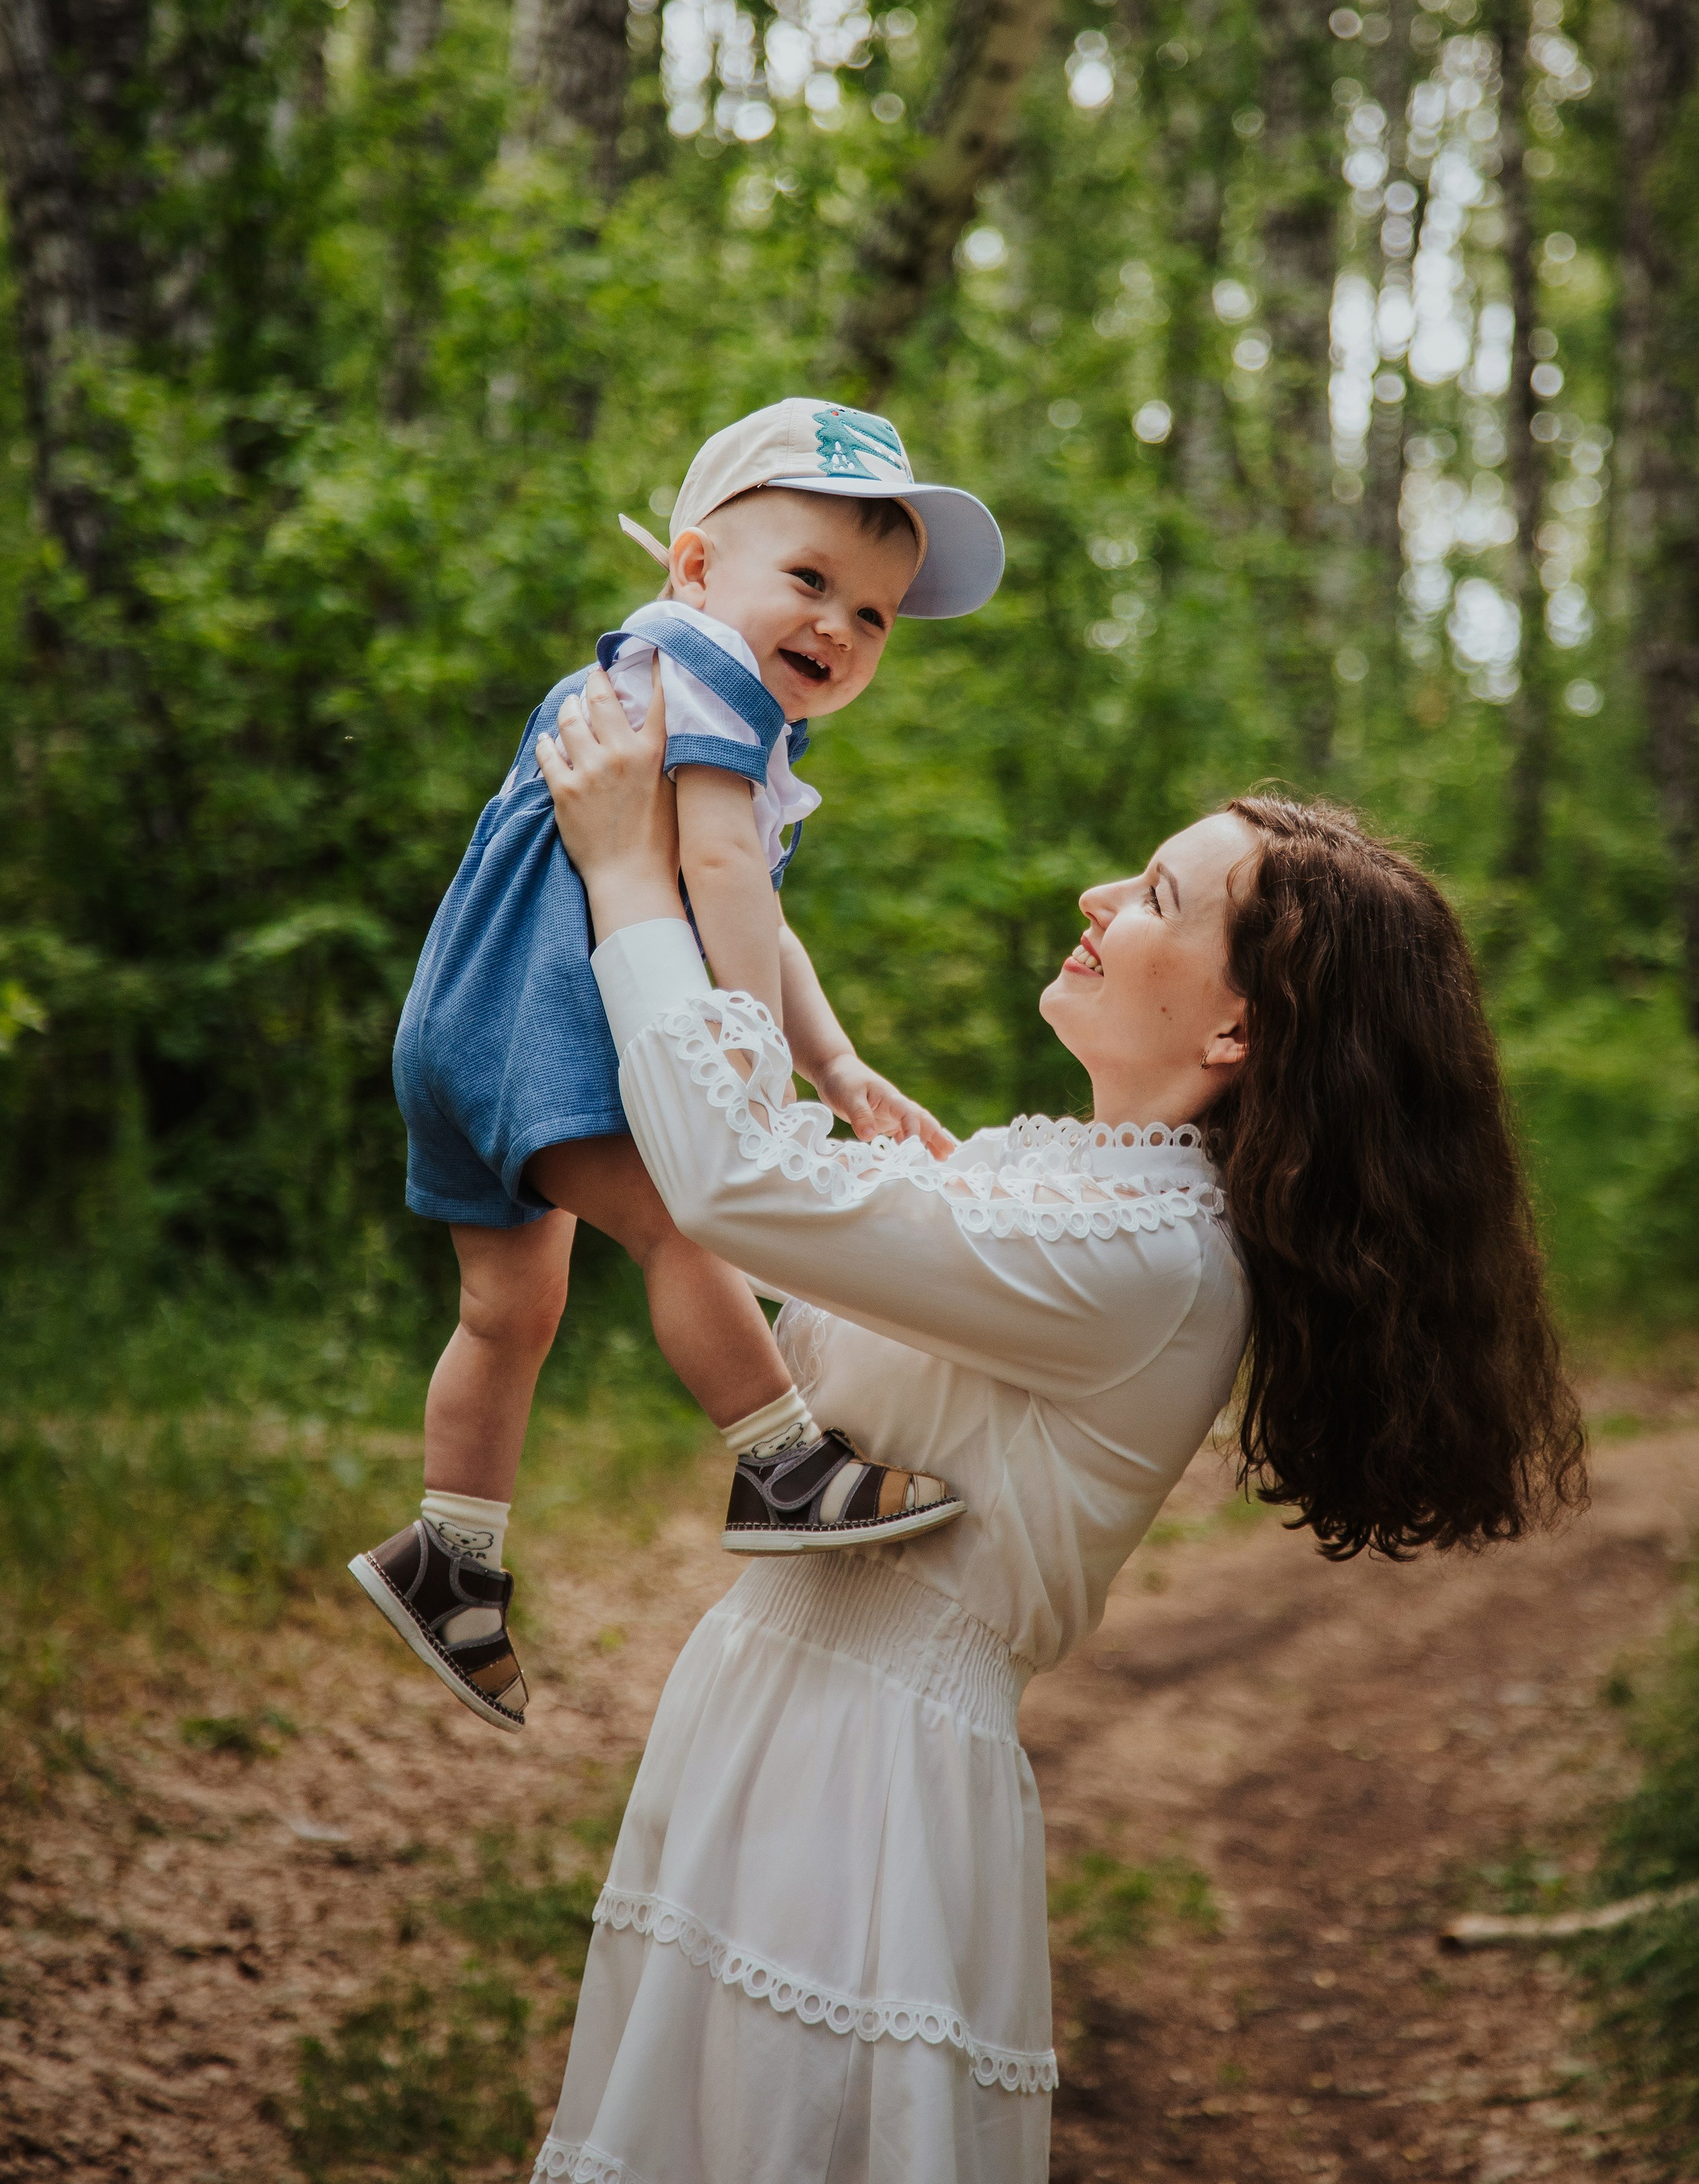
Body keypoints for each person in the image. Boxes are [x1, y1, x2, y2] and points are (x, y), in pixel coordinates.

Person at [522, 674, 1587, 2184]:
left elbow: (735, 1186)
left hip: (869, 1786)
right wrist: (717, 868)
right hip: (772, 1707)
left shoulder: (1149, 1258)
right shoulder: (1075, 1186)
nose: (1099, 894)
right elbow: (766, 1218)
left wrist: (630, 876)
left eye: (1155, 892)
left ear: (1236, 1024)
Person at [351, 401, 1006, 1733]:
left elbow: (748, 890)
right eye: (810, 581)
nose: (838, 626)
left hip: (461, 1027)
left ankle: (449, 1552)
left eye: (875, 615)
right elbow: (714, 875)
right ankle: (781, 1465)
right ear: (699, 566)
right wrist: (749, 1061)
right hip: (538, 1031)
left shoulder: (683, 681)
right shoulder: (700, 668)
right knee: (685, 1220)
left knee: (506, 1313)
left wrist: (833, 1060)